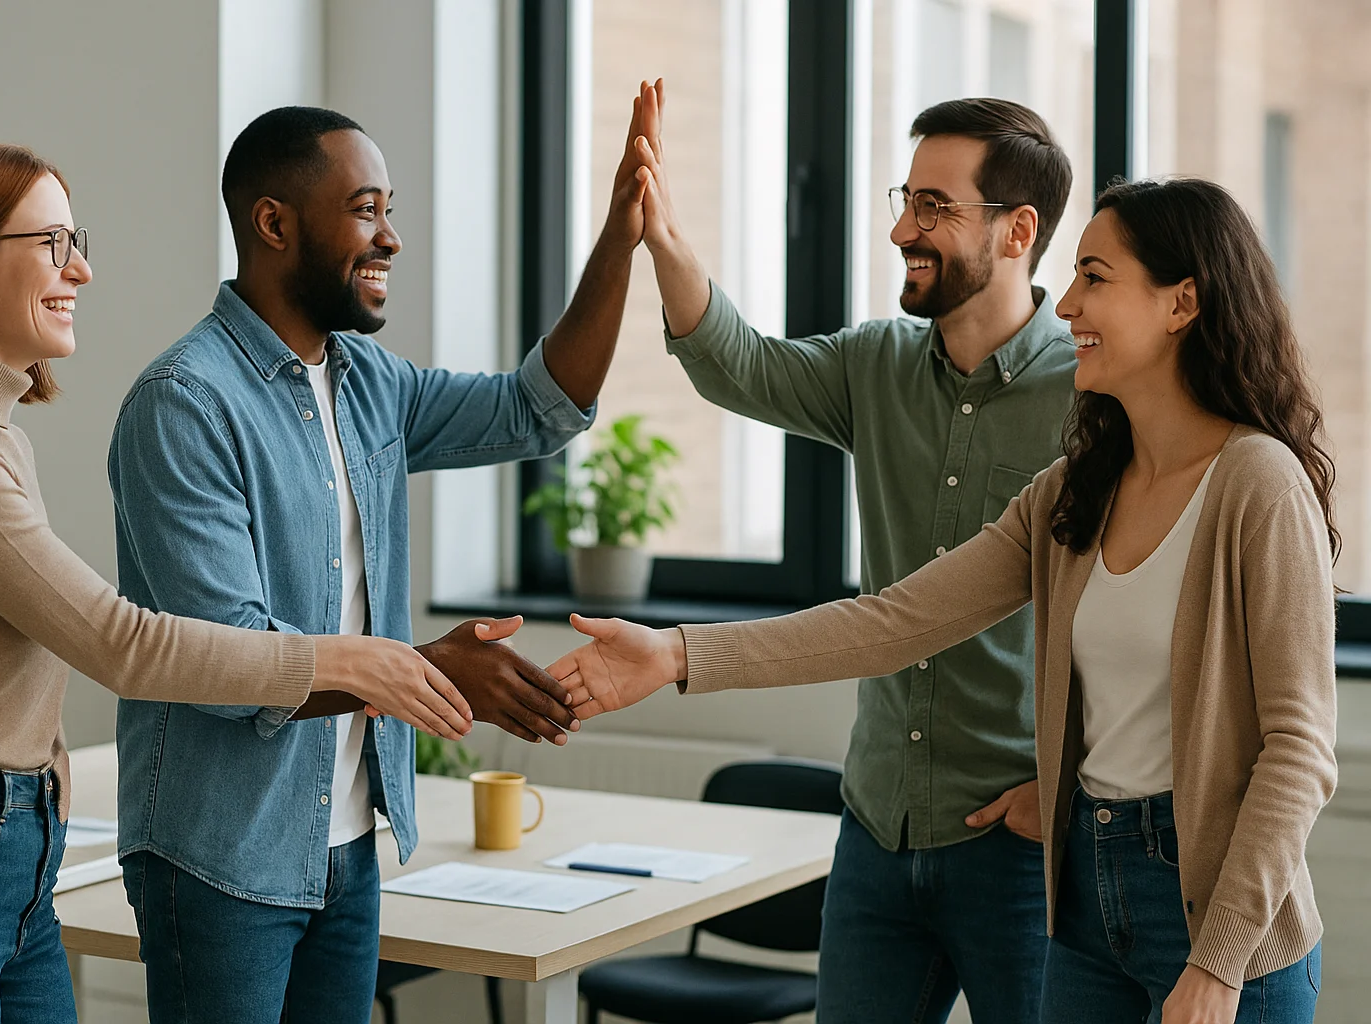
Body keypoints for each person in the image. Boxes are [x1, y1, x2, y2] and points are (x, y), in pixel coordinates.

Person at [551, 176, 1335, 1024]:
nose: (1066, 303)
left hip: (1216, 907)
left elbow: (1298, 750)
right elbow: (896, 622)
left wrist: (1218, 963)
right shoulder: (1076, 491)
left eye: (1095, 278)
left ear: (1182, 303)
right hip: (1082, 902)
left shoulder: (1258, 484)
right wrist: (676, 654)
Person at [0, 142, 474, 1024]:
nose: (82, 269)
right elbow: (119, 644)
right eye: (53, 244)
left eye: (76, 241)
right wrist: (352, 662)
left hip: (0, 841)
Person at [107, 100, 651, 1024]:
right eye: (365, 209)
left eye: (387, 209)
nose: (391, 238)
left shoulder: (368, 383)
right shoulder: (183, 404)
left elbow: (538, 409)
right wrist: (429, 673)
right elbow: (229, 662)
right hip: (220, 856)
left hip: (348, 844)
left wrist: (618, 242)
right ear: (274, 223)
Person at [615, 83, 1076, 1022]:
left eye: (935, 207)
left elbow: (1144, 622)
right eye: (904, 199)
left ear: (1018, 231)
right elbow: (738, 364)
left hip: (1020, 844)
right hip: (877, 823)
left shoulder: (1090, 397)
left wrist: (1064, 787)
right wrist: (662, 238)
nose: (904, 229)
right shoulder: (876, 364)